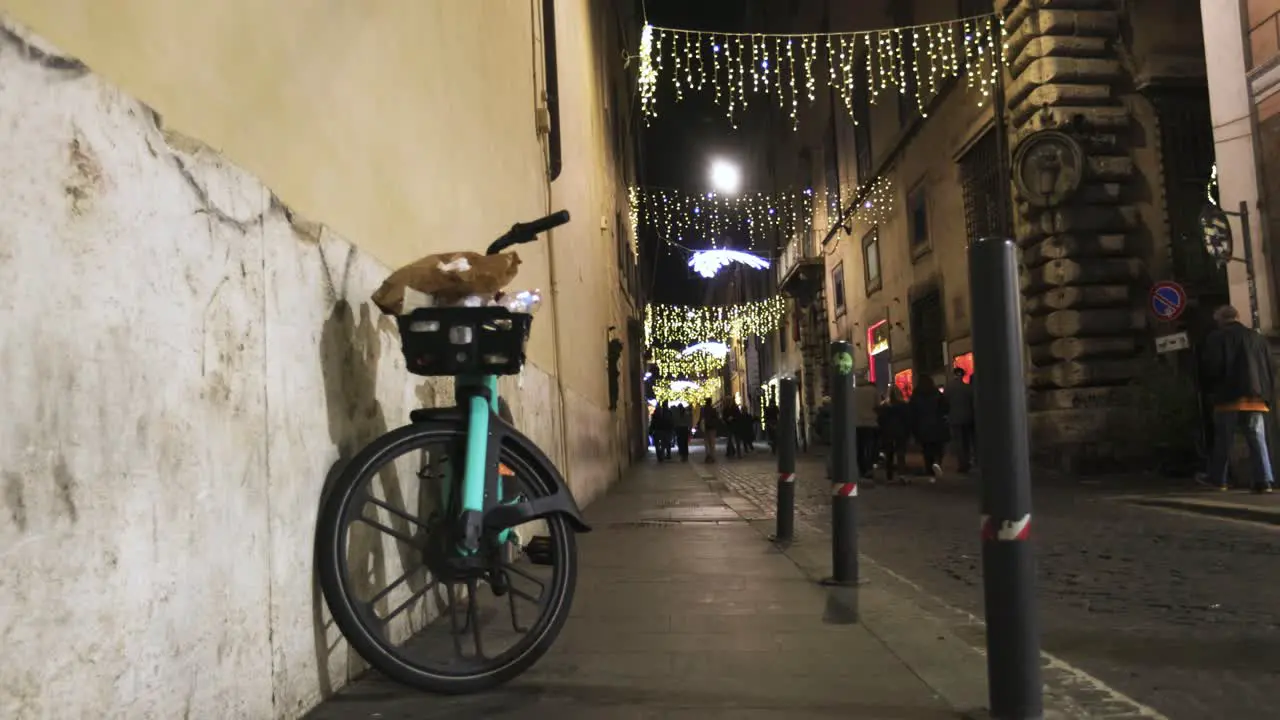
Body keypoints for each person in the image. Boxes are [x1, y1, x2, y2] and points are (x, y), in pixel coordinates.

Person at [1200, 304, 1276, 493]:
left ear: (1220, 319)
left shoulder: (1217, 338)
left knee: (1224, 440)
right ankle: (1264, 480)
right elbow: (1270, 367)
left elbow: (1212, 367)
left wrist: (1210, 391)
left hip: (1228, 398)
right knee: (1257, 439)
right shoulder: (1257, 338)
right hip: (1256, 398)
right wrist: (1267, 394)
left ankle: (1219, 480)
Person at [908, 374, 949, 482]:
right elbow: (945, 408)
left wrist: (913, 429)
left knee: (926, 449)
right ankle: (937, 462)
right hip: (937, 425)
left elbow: (912, 412)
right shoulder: (936, 394)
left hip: (922, 427)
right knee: (938, 447)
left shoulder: (916, 395)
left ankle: (929, 470)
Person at [875, 387, 911, 484]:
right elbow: (908, 420)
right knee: (900, 454)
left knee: (889, 454)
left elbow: (880, 420)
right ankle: (901, 475)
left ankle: (889, 477)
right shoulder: (904, 406)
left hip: (888, 432)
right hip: (901, 431)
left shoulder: (886, 407)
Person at [944, 366, 976, 473]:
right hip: (968, 418)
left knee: (959, 442)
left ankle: (962, 463)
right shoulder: (968, 388)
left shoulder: (949, 388)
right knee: (967, 442)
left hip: (954, 418)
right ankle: (967, 461)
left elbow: (945, 403)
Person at [853, 376, 880, 479]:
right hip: (871, 423)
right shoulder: (873, 391)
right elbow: (877, 406)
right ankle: (869, 468)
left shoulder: (853, 392)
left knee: (859, 447)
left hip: (857, 423)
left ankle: (861, 469)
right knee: (870, 446)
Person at [699, 398, 721, 463]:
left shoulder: (703, 410)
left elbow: (701, 418)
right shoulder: (713, 409)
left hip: (705, 428)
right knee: (712, 443)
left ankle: (708, 456)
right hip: (712, 428)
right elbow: (717, 418)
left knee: (706, 443)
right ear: (710, 402)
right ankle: (712, 456)